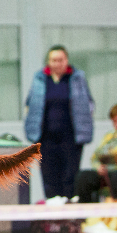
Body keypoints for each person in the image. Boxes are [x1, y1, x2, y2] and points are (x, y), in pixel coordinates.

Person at [24, 45, 94, 199]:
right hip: (46, 138)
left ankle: (69, 212)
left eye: (60, 60)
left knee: (70, 176)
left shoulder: (77, 78)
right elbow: (31, 104)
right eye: (53, 60)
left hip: (71, 138)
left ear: (66, 61)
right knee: (49, 176)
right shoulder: (40, 78)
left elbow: (88, 103)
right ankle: (53, 213)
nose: (57, 63)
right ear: (48, 62)